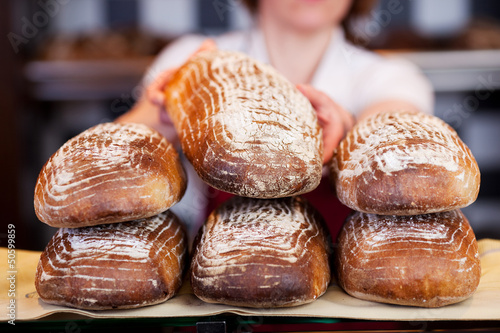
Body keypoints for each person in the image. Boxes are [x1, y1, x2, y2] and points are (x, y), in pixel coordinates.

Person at [117, 0, 434, 243]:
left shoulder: (388, 75)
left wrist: (348, 126)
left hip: (354, 315)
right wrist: (174, 107)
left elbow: (393, 132)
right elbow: (115, 156)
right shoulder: (195, 56)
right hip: (222, 296)